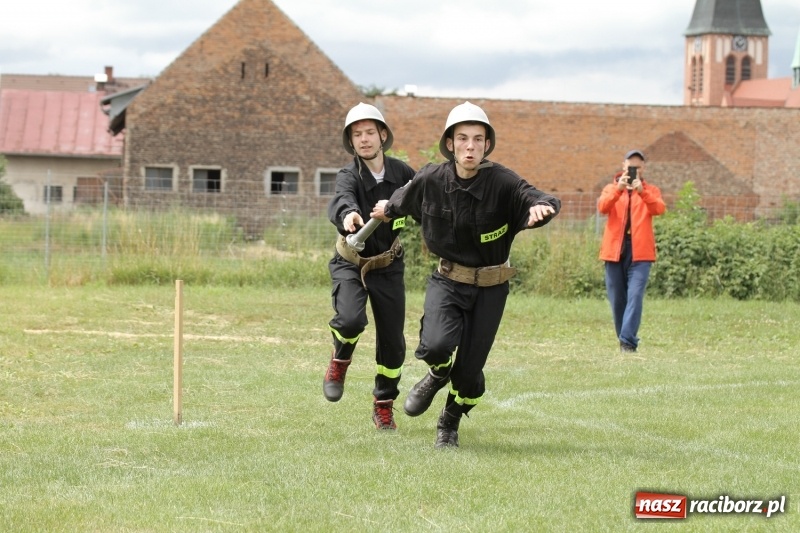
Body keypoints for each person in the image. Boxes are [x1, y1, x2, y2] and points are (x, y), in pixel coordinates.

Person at [372, 101, 560, 448]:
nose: (470, 146)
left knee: (470, 374)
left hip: (491, 287)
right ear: (451, 143)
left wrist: (541, 208)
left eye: (477, 139)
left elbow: (536, 196)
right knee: (436, 346)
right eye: (462, 139)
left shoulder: (503, 182)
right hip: (448, 280)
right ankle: (437, 372)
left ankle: (449, 422)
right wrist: (387, 208)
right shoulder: (432, 178)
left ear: (487, 144)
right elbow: (401, 198)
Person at [324, 103, 415, 431]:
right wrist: (348, 214)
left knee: (393, 343)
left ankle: (383, 404)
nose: (363, 139)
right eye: (356, 134)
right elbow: (342, 199)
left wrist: (398, 208)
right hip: (350, 261)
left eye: (369, 132)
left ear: (382, 135)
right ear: (351, 141)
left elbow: (421, 204)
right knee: (349, 320)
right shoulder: (349, 175)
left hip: (388, 265)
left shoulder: (403, 174)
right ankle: (340, 359)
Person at [597, 149, 666, 352]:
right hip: (614, 251)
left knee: (635, 296)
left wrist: (642, 192)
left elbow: (659, 209)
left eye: (638, 166)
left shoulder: (650, 190)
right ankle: (623, 338)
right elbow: (602, 207)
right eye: (630, 165)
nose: (633, 169)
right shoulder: (611, 188)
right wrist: (619, 189)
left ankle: (628, 342)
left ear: (642, 169)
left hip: (641, 252)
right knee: (618, 299)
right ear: (623, 166)